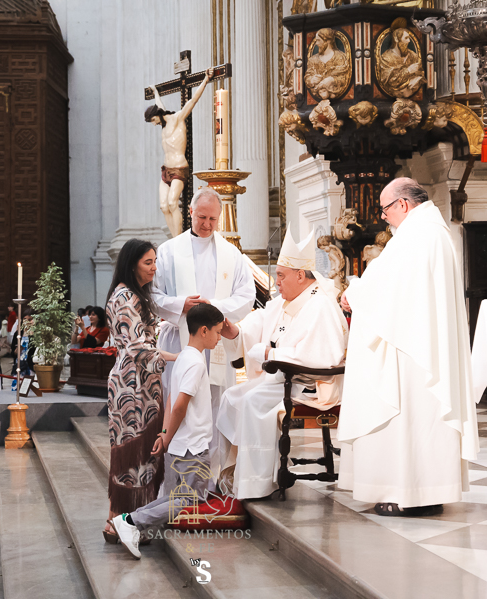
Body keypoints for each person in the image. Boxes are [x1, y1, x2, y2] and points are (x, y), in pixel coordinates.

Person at [337, 178, 479, 517]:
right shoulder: (434, 233)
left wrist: (353, 293)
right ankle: (426, 491)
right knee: (423, 421)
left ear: (402, 204)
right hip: (423, 345)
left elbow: (388, 289)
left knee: (407, 418)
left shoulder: (417, 235)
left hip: (410, 350)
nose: (384, 217)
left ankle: (405, 492)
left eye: (385, 209)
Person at [217, 229, 348, 500]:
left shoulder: (320, 306)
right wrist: (234, 333)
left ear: (300, 276)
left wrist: (271, 353)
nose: (276, 282)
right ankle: (234, 474)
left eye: (281, 275)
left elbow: (322, 357)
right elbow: (259, 323)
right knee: (230, 398)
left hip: (311, 385)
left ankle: (257, 484)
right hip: (284, 380)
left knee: (252, 402)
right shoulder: (283, 302)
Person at [151, 186, 256, 475]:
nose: (207, 224)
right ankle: (175, 474)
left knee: (214, 407)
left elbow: (246, 297)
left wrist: (213, 309)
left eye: (213, 219)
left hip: (215, 343)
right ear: (190, 212)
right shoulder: (168, 251)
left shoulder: (231, 254)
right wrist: (181, 305)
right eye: (201, 217)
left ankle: (211, 477)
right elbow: (153, 295)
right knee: (177, 402)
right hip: (179, 342)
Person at [111, 303, 225, 558]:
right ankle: (132, 522)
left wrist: (165, 434)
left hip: (181, 442)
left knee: (177, 496)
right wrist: (168, 435)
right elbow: (180, 405)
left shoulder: (184, 357)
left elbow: (171, 397)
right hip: (192, 444)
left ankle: (130, 521)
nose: (219, 338)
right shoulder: (195, 363)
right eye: (218, 332)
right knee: (190, 499)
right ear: (204, 330)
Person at [102, 239, 176, 542]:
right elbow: (138, 349)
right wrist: (180, 357)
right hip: (131, 387)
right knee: (130, 456)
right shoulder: (125, 297)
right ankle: (116, 522)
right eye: (148, 262)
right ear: (132, 264)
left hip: (142, 383)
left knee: (140, 456)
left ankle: (125, 521)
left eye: (155, 261)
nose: (154, 268)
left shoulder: (134, 294)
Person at [146, 68, 214, 237]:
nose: (154, 124)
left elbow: (193, 100)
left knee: (172, 202)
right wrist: (155, 92)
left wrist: (205, 80)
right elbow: (159, 105)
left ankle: (178, 240)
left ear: (158, 115)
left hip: (179, 168)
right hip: (166, 170)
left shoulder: (178, 118)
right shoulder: (163, 124)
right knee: (163, 206)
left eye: (153, 120)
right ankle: (173, 239)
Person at [304, 28, 351, 100]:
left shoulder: (340, 57)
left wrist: (332, 80)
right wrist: (312, 80)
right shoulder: (313, 60)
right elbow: (308, 76)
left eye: (319, 40)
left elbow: (344, 78)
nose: (316, 43)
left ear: (328, 41)